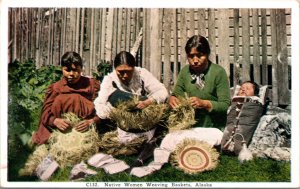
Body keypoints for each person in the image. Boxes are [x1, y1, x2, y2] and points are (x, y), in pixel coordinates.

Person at [94, 51, 168, 166]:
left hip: (145, 122)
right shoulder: (110, 80)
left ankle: (148, 143)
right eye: (120, 72)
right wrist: (116, 112)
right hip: (125, 126)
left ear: (134, 68)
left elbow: (162, 91)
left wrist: (148, 102)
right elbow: (99, 105)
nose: (124, 76)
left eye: (128, 72)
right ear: (115, 69)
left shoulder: (141, 74)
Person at [32, 51, 101, 145]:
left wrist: (91, 122)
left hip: (84, 127)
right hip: (61, 128)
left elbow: (102, 109)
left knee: (75, 98)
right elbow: (45, 112)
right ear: (62, 69)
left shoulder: (91, 85)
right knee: (62, 99)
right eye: (67, 70)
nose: (71, 74)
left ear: (81, 69)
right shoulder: (56, 88)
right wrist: (55, 121)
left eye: (76, 70)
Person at [169, 35, 231, 129]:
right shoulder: (185, 72)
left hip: (212, 127)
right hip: (188, 126)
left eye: (199, 55)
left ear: (207, 54)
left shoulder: (218, 72)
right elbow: (177, 93)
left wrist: (204, 104)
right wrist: (173, 99)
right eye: (191, 56)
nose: (195, 61)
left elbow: (225, 105)